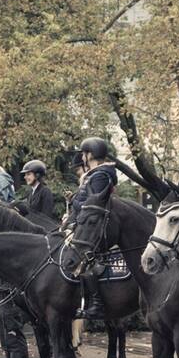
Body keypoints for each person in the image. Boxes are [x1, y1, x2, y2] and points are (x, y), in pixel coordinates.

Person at [70, 136, 117, 320]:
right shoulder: (95, 174)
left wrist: (75, 201)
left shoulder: (100, 175)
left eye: (84, 153)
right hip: (84, 222)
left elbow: (91, 203)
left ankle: (96, 303)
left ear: (89, 154)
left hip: (96, 227)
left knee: (83, 260)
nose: (82, 157)